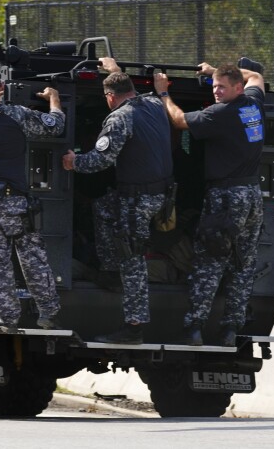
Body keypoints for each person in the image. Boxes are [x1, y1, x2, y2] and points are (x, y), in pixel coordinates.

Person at [155, 62, 265, 347]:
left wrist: (164, 94)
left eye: (222, 87)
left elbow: (179, 121)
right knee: (243, 264)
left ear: (237, 88)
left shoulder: (220, 114)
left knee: (209, 262)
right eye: (214, 86)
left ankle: (194, 327)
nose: (216, 92)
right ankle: (231, 330)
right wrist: (213, 70)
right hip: (252, 195)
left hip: (226, 197)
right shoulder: (252, 104)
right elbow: (256, 76)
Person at [62, 63, 174, 344]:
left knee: (131, 257)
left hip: (136, 199)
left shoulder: (119, 118)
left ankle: (134, 327)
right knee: (102, 207)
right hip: (158, 195)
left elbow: (101, 159)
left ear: (109, 97)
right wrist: (115, 68)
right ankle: (109, 271)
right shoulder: (154, 104)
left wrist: (74, 162)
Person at [0, 69, 66, 331]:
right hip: (17, 203)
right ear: (2, 88)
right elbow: (56, 125)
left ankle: (7, 318)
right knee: (32, 259)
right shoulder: (18, 115)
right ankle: (48, 314)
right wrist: (53, 99)